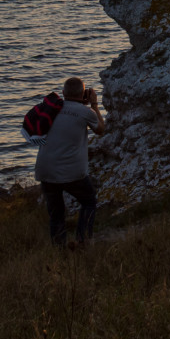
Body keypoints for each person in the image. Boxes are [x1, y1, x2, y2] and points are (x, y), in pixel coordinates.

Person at [34, 76, 106, 248]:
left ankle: (59, 250)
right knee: (88, 201)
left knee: (56, 214)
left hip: (45, 170)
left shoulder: (51, 109)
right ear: (83, 94)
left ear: (63, 93)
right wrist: (94, 105)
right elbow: (100, 129)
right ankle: (83, 241)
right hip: (72, 172)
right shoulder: (85, 112)